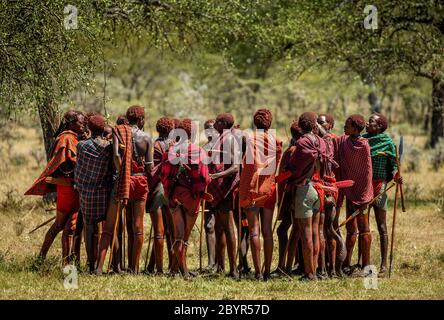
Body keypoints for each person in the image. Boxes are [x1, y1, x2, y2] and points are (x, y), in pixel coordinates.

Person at [25, 110, 86, 266]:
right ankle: (67, 267)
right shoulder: (66, 139)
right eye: (80, 121)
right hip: (69, 188)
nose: (83, 123)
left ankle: (41, 260)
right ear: (70, 123)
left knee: (60, 225)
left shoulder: (72, 137)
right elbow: (66, 164)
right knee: (69, 227)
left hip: (70, 188)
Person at [161, 119, 212, 279]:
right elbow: (204, 178)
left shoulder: (170, 151)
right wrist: (200, 190)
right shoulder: (199, 152)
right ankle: (183, 271)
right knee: (184, 237)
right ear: (193, 133)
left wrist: (169, 192)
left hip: (175, 196)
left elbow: (163, 176)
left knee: (178, 236)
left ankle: (176, 269)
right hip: (192, 198)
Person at [286, 112, 330, 281]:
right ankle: (317, 270)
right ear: (314, 125)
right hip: (318, 189)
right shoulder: (320, 141)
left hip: (304, 190)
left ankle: (309, 273)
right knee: (316, 232)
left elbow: (294, 169)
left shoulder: (302, 143)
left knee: (306, 234)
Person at [239, 109, 282, 280]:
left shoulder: (249, 139)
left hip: (251, 189)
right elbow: (276, 164)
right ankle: (266, 272)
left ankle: (257, 272)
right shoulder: (277, 141)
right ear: (269, 123)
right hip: (269, 189)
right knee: (267, 232)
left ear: (254, 122)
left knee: (253, 232)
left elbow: (248, 164)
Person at [334, 114, 373, 276]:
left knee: (364, 229)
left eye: (347, 126)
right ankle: (347, 263)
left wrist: (364, 196)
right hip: (350, 191)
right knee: (351, 230)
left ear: (355, 129)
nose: (344, 127)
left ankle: (366, 265)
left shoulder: (364, 145)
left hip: (362, 194)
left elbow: (366, 172)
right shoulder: (344, 141)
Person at [363, 113, 402, 275]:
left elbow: (393, 165)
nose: (367, 122)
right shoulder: (362, 140)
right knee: (363, 228)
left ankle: (384, 264)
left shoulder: (387, 143)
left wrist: (396, 175)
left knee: (381, 226)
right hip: (364, 188)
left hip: (380, 187)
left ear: (379, 127)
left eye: (371, 121)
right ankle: (363, 263)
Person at [75, 114, 113, 272]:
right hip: (104, 192)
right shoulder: (109, 147)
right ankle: (111, 265)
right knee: (109, 229)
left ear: (89, 128)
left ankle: (91, 265)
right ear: (104, 128)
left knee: (89, 227)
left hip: (87, 192)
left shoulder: (81, 146)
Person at [207, 113, 241, 278]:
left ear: (223, 123)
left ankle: (233, 269)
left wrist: (215, 176)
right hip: (218, 189)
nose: (214, 123)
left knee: (228, 229)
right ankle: (220, 267)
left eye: (217, 121)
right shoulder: (221, 137)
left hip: (225, 189)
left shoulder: (229, 139)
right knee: (220, 228)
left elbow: (235, 167)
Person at [145, 117, 175, 274]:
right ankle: (172, 266)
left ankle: (159, 270)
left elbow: (150, 170)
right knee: (171, 231)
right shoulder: (174, 145)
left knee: (158, 231)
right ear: (171, 130)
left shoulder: (155, 145)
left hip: (156, 189)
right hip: (170, 190)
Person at [201, 119, 218, 273]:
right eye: (206, 129)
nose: (209, 131)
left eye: (212, 128)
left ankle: (221, 263)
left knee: (223, 227)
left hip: (222, 191)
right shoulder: (203, 149)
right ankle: (211, 262)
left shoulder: (224, 148)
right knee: (209, 226)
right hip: (208, 193)